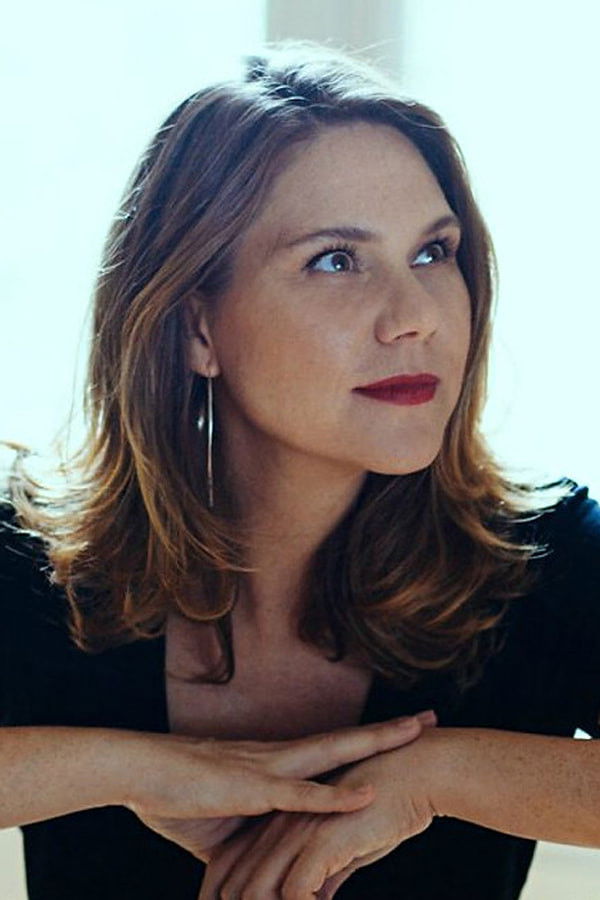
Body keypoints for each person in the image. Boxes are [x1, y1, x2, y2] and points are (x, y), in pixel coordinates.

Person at [1, 38, 599, 900]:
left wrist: (437, 777)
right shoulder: (32, 560)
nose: (416, 317)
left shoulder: (546, 559)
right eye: (335, 260)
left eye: (433, 252)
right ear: (196, 328)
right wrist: (124, 769)